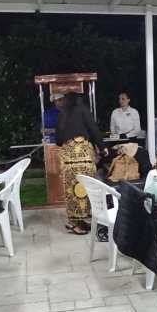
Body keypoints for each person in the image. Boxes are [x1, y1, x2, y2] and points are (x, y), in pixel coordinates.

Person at [55, 91, 105, 235]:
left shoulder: (63, 113)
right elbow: (93, 129)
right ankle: (82, 221)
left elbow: (58, 140)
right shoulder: (83, 110)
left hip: (68, 159)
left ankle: (75, 221)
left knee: (71, 190)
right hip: (84, 157)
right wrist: (102, 147)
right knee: (85, 187)